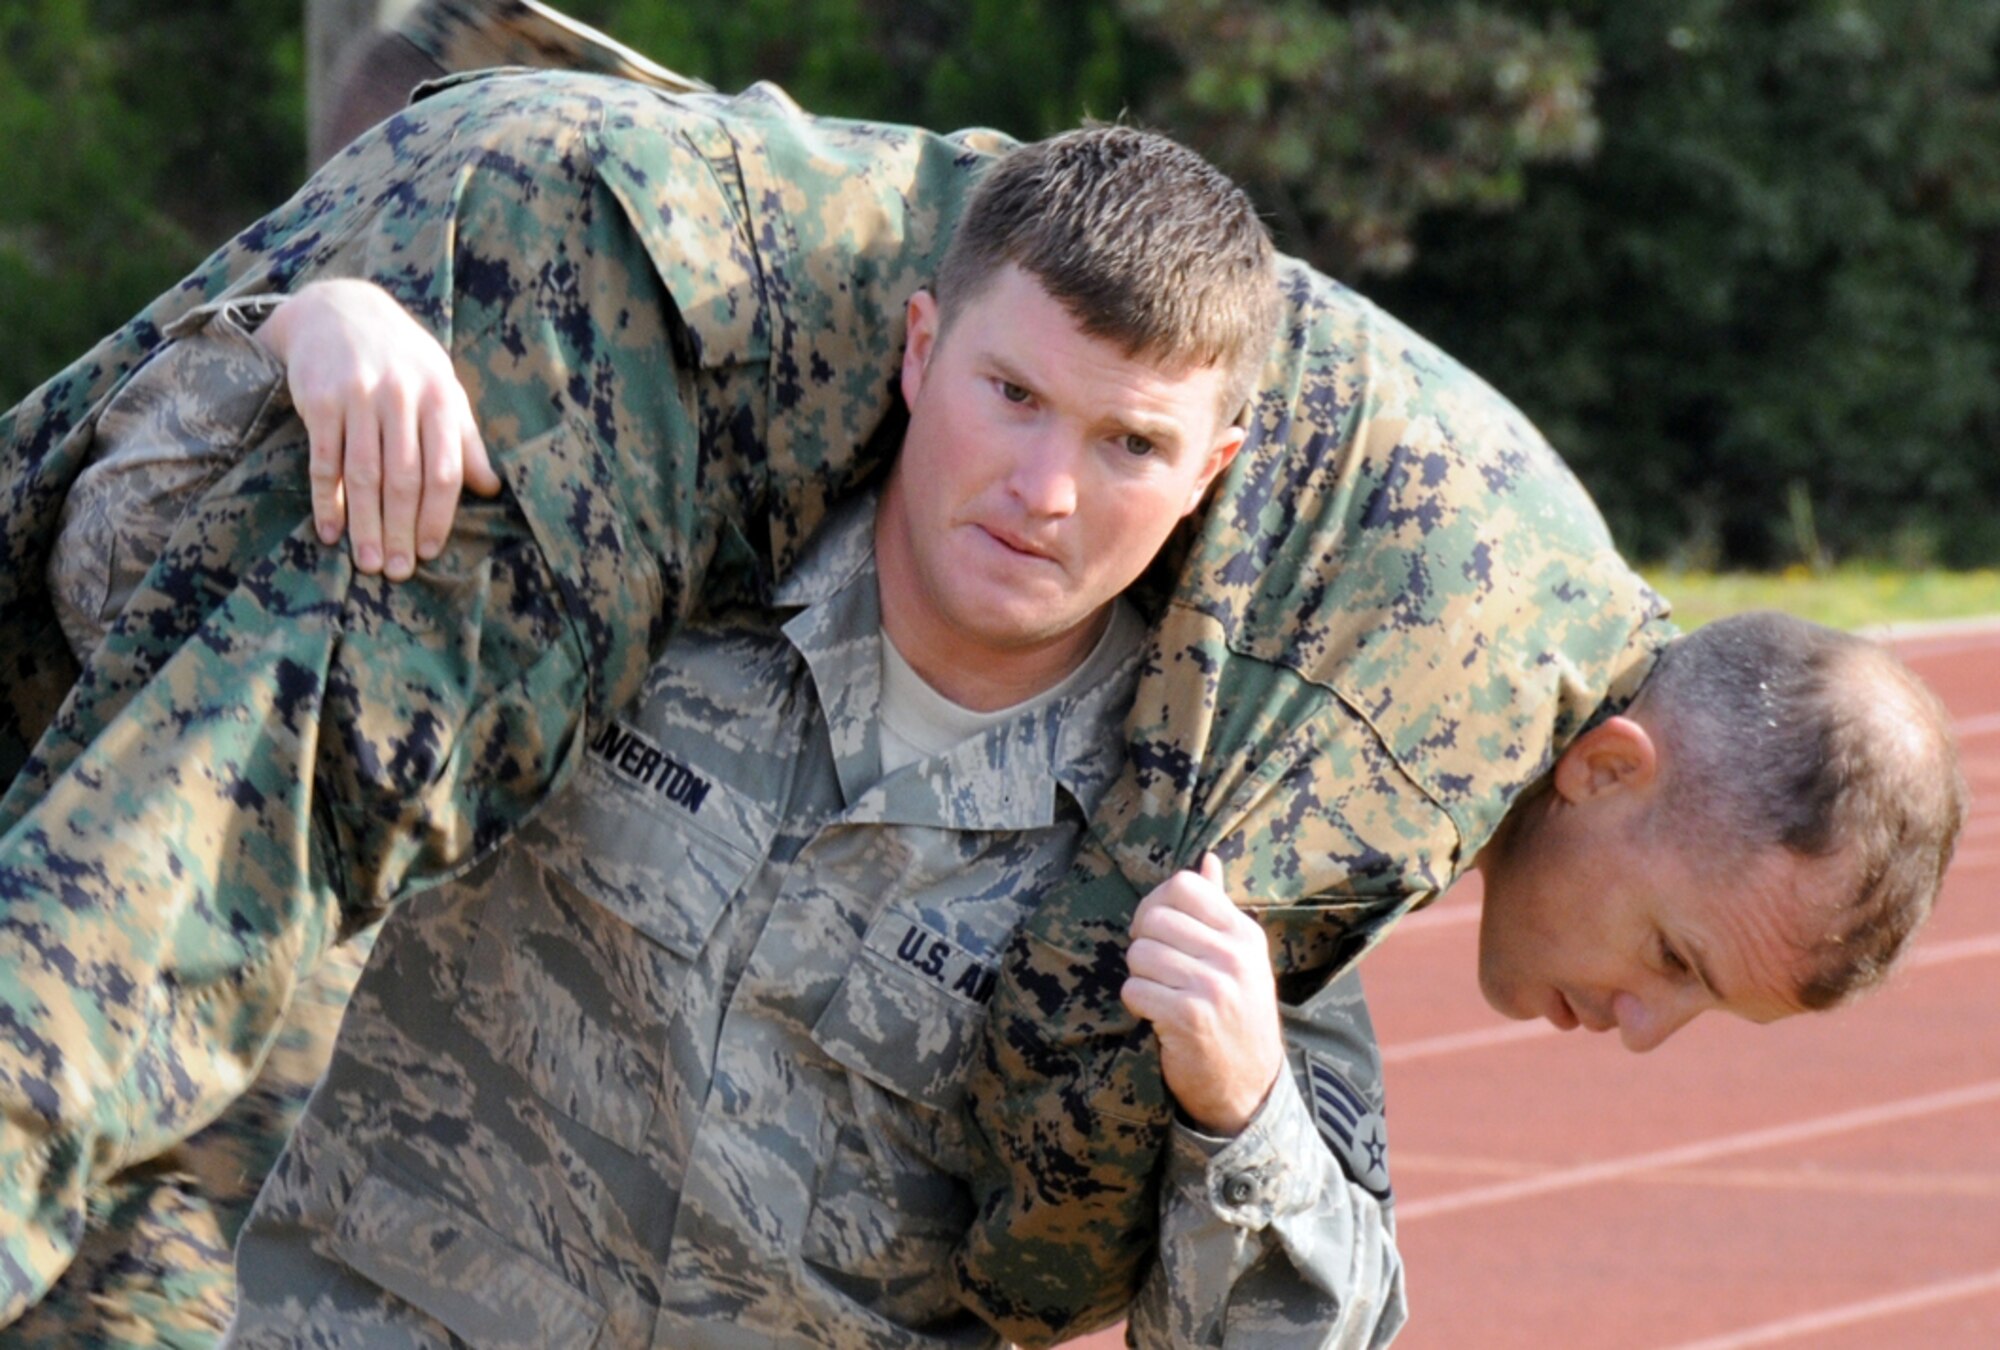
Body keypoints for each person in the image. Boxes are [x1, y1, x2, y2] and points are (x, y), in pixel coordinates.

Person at [0, 43, 1960, 1350]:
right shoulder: (657, 519)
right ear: (920, 350)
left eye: (1125, 444)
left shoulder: (1245, 867)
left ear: (1203, 477)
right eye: (1681, 966)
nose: (1632, 1031)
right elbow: (182, 682)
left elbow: (1317, 1315)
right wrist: (306, 335)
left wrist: (1237, 1105)